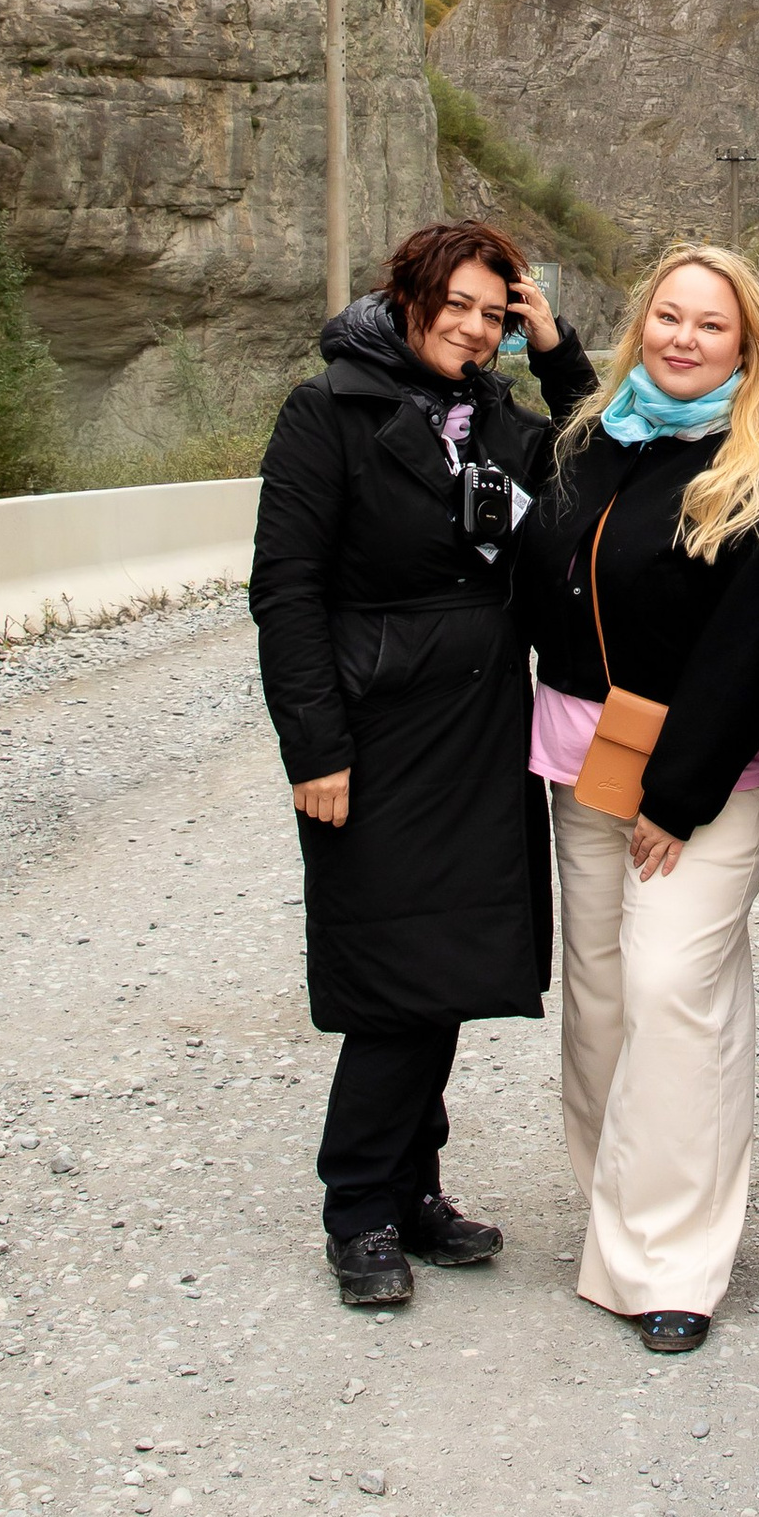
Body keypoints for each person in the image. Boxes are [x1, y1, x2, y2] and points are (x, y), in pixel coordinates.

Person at [251, 218, 596, 1310]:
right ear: (407, 297)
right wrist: (315, 746)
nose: (473, 327)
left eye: (494, 313)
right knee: (390, 982)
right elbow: (286, 592)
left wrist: (554, 349)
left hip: (482, 730)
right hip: (376, 735)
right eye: (457, 306)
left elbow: (596, 466)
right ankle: (357, 1205)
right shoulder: (327, 412)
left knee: (441, 971)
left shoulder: (498, 416)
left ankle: (414, 1190)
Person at [523, 242, 759, 1355]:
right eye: (669, 319)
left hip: (710, 778)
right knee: (596, 996)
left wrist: (673, 800)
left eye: (712, 326)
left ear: (748, 346)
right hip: (581, 759)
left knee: (672, 985)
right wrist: (552, 357)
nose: (686, 339)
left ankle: (674, 1260)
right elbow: (569, 494)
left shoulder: (757, 461)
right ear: (643, 327)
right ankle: (614, 1213)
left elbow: (747, 649)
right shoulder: (597, 438)